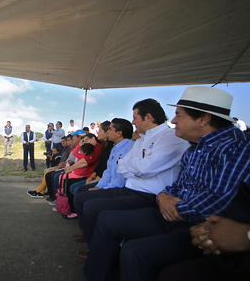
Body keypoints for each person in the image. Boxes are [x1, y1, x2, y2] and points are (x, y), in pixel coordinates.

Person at [84, 87, 250, 281]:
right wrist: (163, 197)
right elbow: (175, 184)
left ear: (204, 119)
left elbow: (218, 201)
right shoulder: (195, 148)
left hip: (198, 223)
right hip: (170, 211)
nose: (173, 121)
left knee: (135, 252)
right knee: (107, 221)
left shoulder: (233, 149)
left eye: (179, 115)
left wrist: (172, 205)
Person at [73, 98, 190, 254]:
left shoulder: (171, 138)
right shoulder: (143, 139)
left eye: (135, 118)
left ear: (148, 117)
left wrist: (137, 167)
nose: (133, 122)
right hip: (130, 189)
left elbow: (145, 168)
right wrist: (138, 167)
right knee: (82, 198)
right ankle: (94, 243)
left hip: (149, 196)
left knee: (93, 207)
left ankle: (98, 248)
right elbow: (123, 167)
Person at [62, 133, 102, 218]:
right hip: (86, 174)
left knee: (72, 186)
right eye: (84, 140)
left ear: (93, 138)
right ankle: (67, 207)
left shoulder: (96, 148)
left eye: (86, 139)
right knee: (64, 180)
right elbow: (77, 155)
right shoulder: (90, 148)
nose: (85, 141)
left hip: (87, 175)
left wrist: (71, 168)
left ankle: (72, 210)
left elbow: (85, 161)